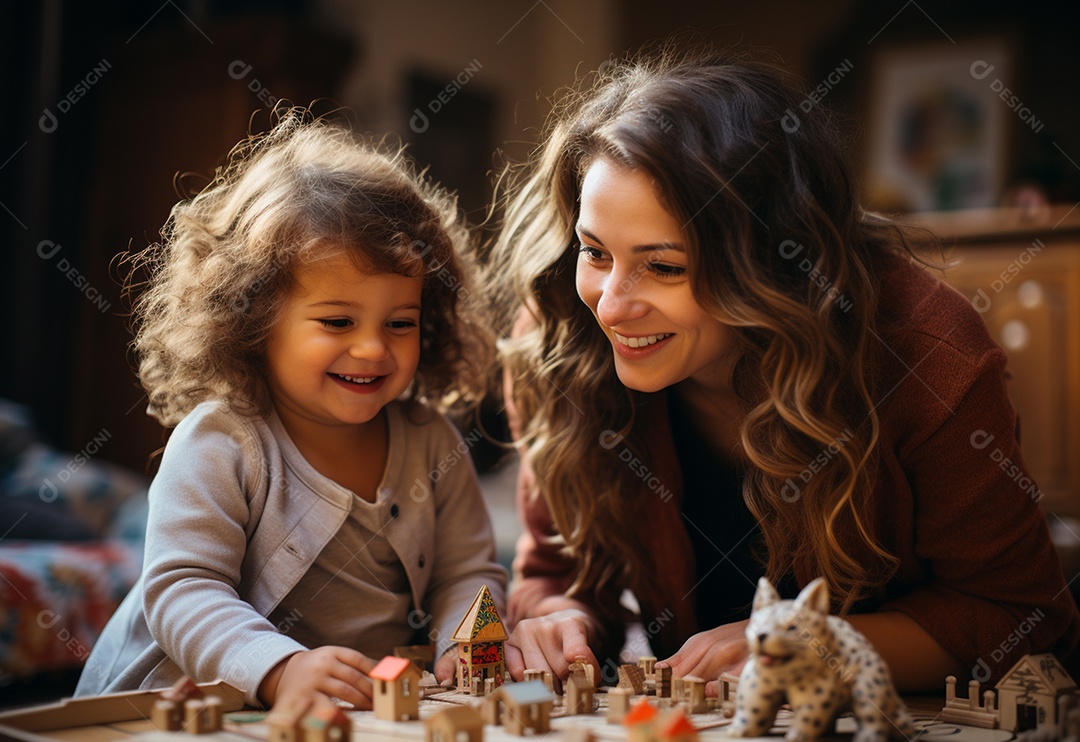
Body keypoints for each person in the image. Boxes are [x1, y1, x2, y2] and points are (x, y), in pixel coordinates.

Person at [488, 46, 1080, 693]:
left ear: (768, 265)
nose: (613, 304)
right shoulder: (557, 340)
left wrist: (819, 647)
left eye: (664, 266)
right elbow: (556, 570)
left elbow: (1019, 615)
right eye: (595, 252)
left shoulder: (925, 351)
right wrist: (556, 617)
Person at [75, 109, 507, 714]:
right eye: (337, 321)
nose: (373, 348)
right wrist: (278, 668)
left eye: (400, 323)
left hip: (350, 713)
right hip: (181, 708)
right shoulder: (221, 441)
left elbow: (468, 571)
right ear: (253, 322)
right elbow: (182, 590)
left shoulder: (433, 440)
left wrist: (467, 639)